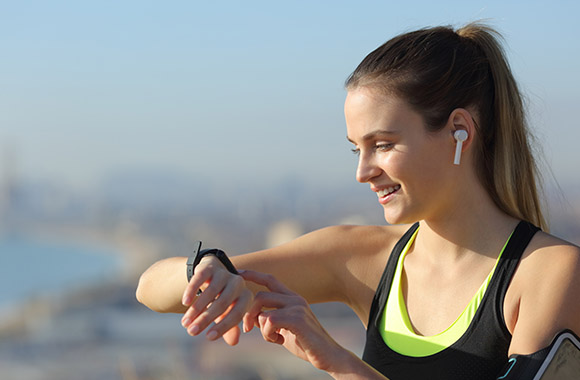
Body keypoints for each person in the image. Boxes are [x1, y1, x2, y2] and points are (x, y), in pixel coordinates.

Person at [136, 22, 580, 379]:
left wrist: (339, 362)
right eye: (356, 149)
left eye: (383, 144)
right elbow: (152, 288)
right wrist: (210, 269)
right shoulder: (362, 257)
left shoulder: (550, 273)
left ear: (458, 130)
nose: (363, 171)